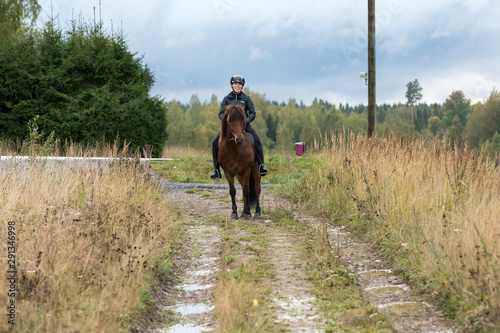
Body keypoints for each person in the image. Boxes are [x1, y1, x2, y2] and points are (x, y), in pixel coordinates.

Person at [210, 75, 269, 179]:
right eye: (235, 84)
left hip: (244, 126)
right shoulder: (226, 99)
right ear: (231, 85)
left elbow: (252, 113)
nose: (237, 86)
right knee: (215, 143)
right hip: (230, 128)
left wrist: (245, 122)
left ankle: (261, 165)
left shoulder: (246, 99)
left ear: (242, 86)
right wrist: (227, 122)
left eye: (239, 84)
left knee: (257, 140)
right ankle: (216, 169)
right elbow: (221, 114)